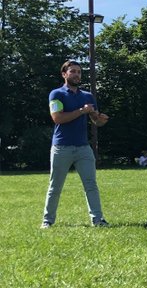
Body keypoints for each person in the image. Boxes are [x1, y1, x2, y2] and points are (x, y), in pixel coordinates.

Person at [41, 60, 110, 228]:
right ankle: (47, 221)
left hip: (83, 148)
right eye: (73, 71)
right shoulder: (56, 94)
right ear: (64, 74)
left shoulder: (87, 96)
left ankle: (98, 220)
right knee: (55, 186)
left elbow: (95, 121)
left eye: (79, 72)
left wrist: (100, 120)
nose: (76, 75)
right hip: (61, 147)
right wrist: (82, 111)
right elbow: (58, 118)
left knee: (91, 185)